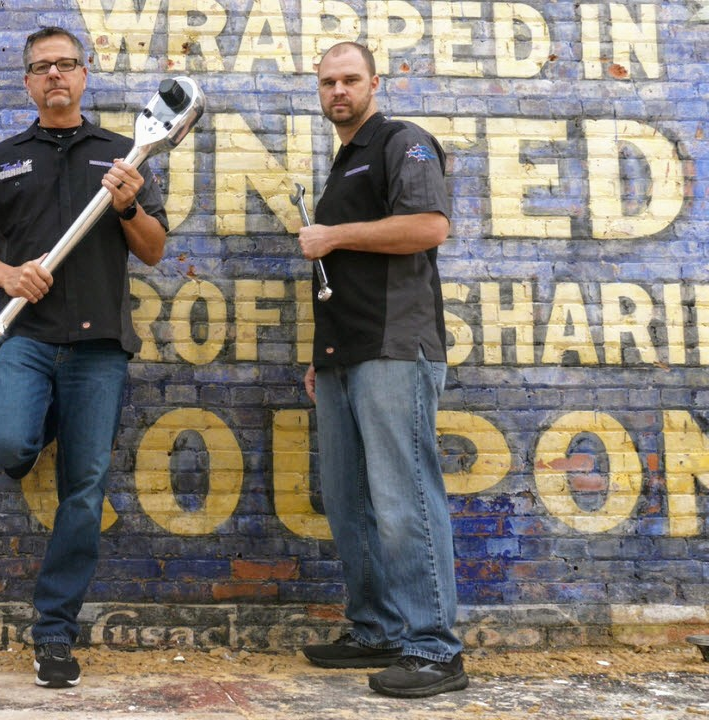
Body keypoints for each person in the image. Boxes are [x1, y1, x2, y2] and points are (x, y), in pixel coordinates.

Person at [0, 26, 168, 688]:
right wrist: (9, 276)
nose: (55, 77)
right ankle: (40, 426)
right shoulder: (3, 159)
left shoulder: (123, 157)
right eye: (41, 68)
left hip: (100, 348)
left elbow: (153, 249)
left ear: (84, 74)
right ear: (27, 82)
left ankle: (53, 631)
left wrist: (128, 207)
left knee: (83, 490)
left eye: (66, 65)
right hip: (28, 339)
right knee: (6, 441)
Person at [296, 42, 467, 699]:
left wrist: (334, 235)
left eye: (349, 79)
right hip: (345, 354)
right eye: (327, 82)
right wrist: (321, 358)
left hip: (396, 347)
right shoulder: (347, 160)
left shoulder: (402, 141)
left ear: (374, 82)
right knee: (348, 501)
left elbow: (429, 226)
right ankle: (376, 629)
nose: (337, 90)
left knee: (403, 500)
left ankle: (434, 651)